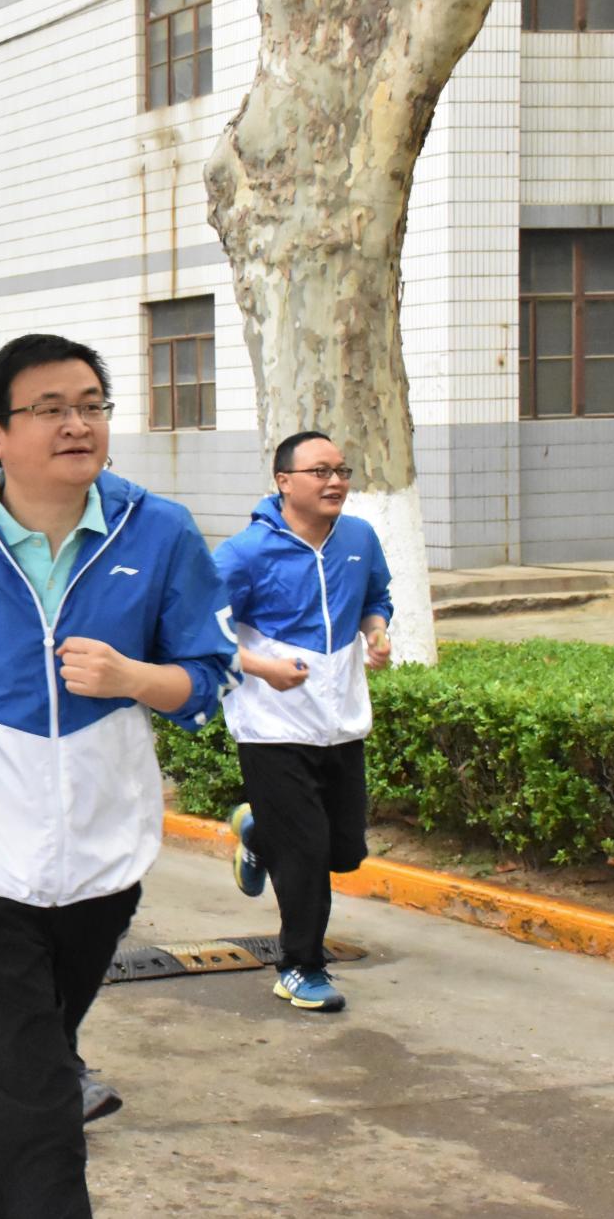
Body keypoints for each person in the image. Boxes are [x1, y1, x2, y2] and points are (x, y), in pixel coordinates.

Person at [0, 334, 239, 1219]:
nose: (77, 424)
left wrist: (134, 677)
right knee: (39, 1089)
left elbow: (209, 677)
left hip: (101, 853)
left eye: (92, 405)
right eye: (50, 408)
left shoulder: (159, 532)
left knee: (26, 1051)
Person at [217, 431, 392, 1015]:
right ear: (283, 481)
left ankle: (257, 831)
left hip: (341, 720)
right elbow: (196, 628)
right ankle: (300, 967)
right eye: (320, 472)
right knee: (307, 856)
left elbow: (377, 598)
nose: (335, 481)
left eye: (341, 470)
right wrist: (264, 668)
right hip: (271, 726)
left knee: (343, 851)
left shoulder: (359, 538)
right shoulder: (245, 553)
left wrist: (376, 633)